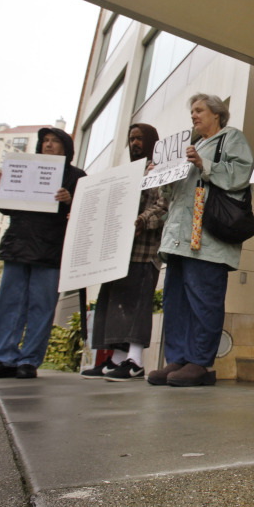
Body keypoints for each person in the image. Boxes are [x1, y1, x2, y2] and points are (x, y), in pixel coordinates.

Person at [147, 93, 253, 387]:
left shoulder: (230, 138)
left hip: (208, 240)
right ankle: (179, 359)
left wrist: (202, 162)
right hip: (179, 238)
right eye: (191, 111)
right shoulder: (189, 147)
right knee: (176, 301)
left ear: (217, 113)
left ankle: (200, 363)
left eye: (199, 110)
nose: (193, 115)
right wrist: (162, 177)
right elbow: (173, 196)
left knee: (204, 300)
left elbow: (241, 174)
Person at [0, 127, 86, 380]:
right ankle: (4, 359)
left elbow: (86, 211)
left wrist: (71, 200)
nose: (48, 145)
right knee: (8, 305)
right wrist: (1, 186)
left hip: (50, 249)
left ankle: (29, 361)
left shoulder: (77, 176)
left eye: (54, 141)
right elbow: (4, 208)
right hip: (17, 246)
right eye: (45, 141)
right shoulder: (24, 167)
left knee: (42, 306)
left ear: (66, 148)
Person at [81, 123, 168, 381]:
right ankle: (116, 360)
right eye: (131, 139)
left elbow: (164, 205)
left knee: (136, 305)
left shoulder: (160, 170)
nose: (134, 143)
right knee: (114, 305)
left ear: (151, 141)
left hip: (143, 252)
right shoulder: (124, 173)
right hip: (116, 253)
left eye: (140, 138)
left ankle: (135, 360)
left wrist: (141, 221)